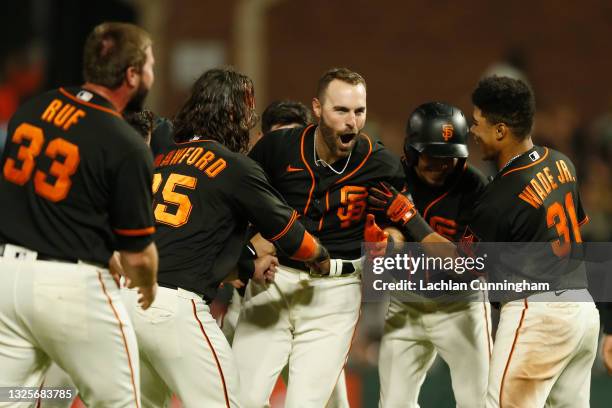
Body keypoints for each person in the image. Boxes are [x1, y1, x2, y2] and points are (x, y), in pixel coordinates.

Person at [122, 67, 330, 408]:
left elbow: (186, 239)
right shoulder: (234, 166)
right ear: (234, 114)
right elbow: (292, 236)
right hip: (175, 310)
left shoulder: (163, 160)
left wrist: (246, 265)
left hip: (129, 301)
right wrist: (321, 254)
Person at [0, 21, 158, 407]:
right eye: (151, 64)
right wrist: (148, 284)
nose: (153, 72)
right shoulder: (124, 142)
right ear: (132, 74)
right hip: (70, 290)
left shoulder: (33, 108)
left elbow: (51, 208)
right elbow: (137, 255)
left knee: (10, 398)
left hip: (7, 281)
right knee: (119, 403)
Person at [232, 67, 405, 407]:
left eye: (359, 111)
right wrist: (248, 250)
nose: (351, 121)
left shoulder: (380, 163)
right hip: (274, 281)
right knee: (242, 399)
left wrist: (387, 242)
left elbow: (401, 229)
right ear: (317, 108)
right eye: (340, 110)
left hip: (334, 292)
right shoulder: (277, 148)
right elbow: (238, 203)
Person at [466, 76, 599, 407]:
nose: (472, 130)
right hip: (583, 311)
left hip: (539, 316)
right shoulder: (562, 163)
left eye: (477, 123)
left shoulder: (499, 196)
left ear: (500, 131)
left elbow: (462, 268)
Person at [377, 102, 491, 408]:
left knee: (477, 402)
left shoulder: (477, 190)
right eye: (431, 154)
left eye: (448, 156)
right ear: (412, 150)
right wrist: (389, 241)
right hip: (406, 302)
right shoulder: (395, 177)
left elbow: (464, 266)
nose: (440, 163)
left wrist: (410, 219)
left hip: (460, 306)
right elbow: (392, 233)